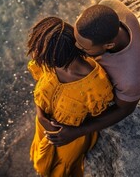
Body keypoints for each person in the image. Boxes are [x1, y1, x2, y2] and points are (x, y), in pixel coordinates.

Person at [45, 0, 140, 146]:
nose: (76, 47)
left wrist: (76, 132)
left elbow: (124, 110)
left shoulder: (130, 78)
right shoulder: (110, 5)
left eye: (83, 48)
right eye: (76, 39)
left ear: (109, 45)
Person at [27, 16, 114, 176]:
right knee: (43, 161)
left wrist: (74, 132)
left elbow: (101, 118)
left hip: (68, 141)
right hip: (43, 128)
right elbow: (41, 92)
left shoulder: (94, 85)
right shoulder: (49, 64)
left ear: (58, 57)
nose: (37, 57)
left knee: (63, 170)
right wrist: (41, 117)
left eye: (43, 55)